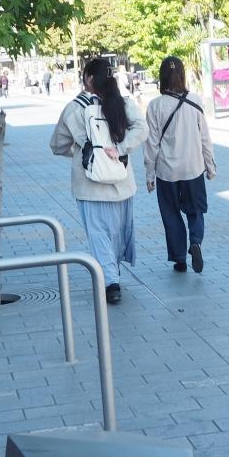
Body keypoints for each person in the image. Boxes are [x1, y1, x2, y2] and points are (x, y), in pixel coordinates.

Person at [50, 58, 145, 304]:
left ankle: (111, 281)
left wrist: (82, 151)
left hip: (89, 185)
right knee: (117, 233)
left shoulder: (75, 108)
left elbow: (57, 145)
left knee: (98, 234)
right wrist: (120, 148)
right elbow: (141, 128)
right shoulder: (123, 103)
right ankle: (112, 272)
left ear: (89, 78)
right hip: (121, 182)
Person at [144, 57, 216, 274]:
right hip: (193, 168)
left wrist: (149, 174)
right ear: (183, 75)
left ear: (161, 77)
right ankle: (195, 242)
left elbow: (152, 144)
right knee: (195, 210)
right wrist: (210, 165)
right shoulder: (195, 101)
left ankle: (179, 259)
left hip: (166, 171)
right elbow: (205, 137)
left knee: (171, 213)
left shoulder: (155, 105)